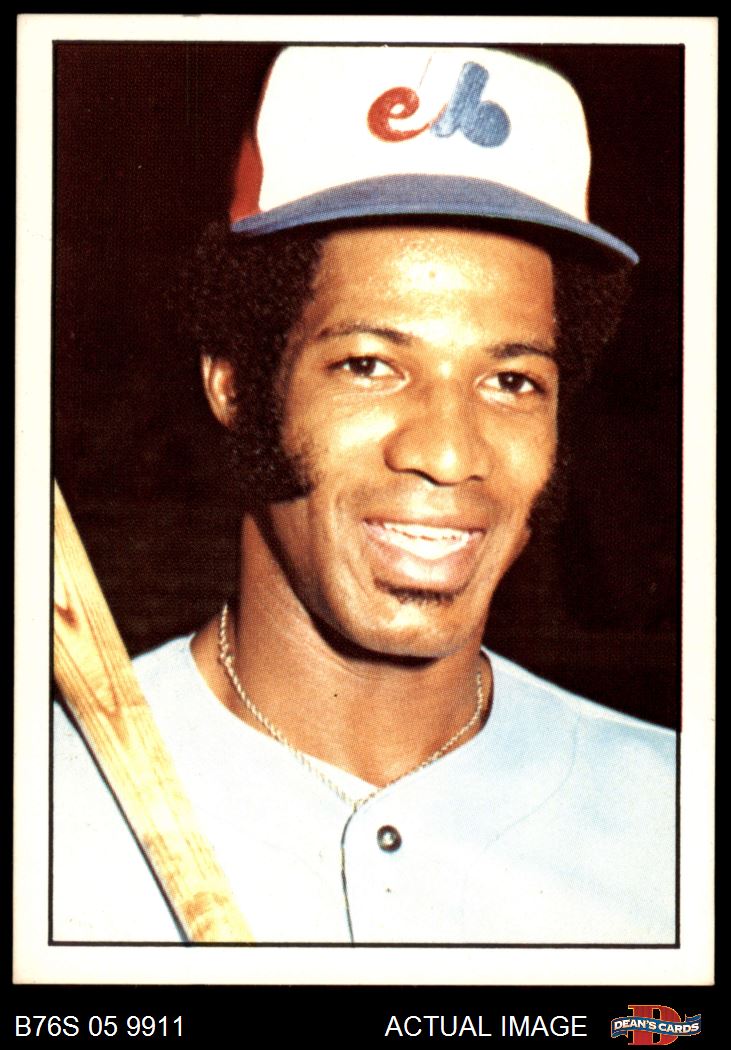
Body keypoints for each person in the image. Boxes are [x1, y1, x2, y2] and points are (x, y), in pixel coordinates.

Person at [53, 45, 675, 945]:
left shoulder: (678, 821)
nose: (448, 453)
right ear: (236, 384)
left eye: (510, 380)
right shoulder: (45, 807)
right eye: (369, 365)